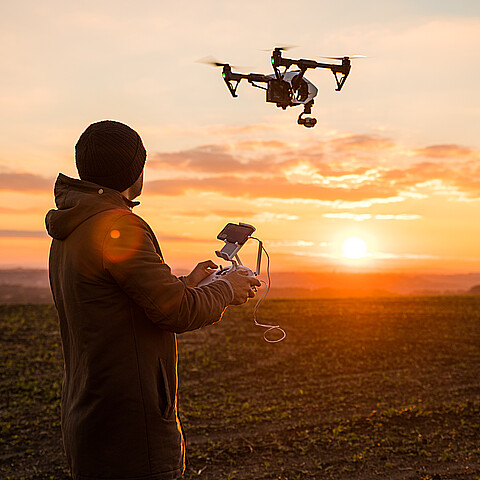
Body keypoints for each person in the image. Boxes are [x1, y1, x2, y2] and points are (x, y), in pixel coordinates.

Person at [45, 120, 261, 480]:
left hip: (89, 417)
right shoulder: (118, 226)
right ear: (136, 171)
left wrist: (186, 283)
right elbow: (175, 311)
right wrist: (226, 289)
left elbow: (118, 298)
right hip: (131, 432)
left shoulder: (72, 227)